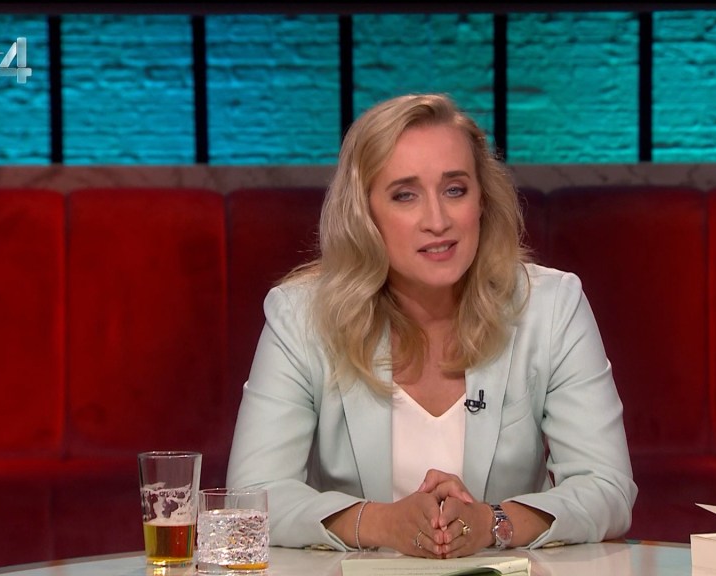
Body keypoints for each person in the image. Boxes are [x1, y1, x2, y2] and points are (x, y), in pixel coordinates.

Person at [226, 93, 636, 559]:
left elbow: (607, 488)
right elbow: (250, 499)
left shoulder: (550, 306)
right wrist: (381, 522)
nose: (437, 221)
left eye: (454, 190)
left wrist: (492, 522)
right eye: (405, 195)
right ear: (364, 214)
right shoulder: (302, 317)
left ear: (482, 200)